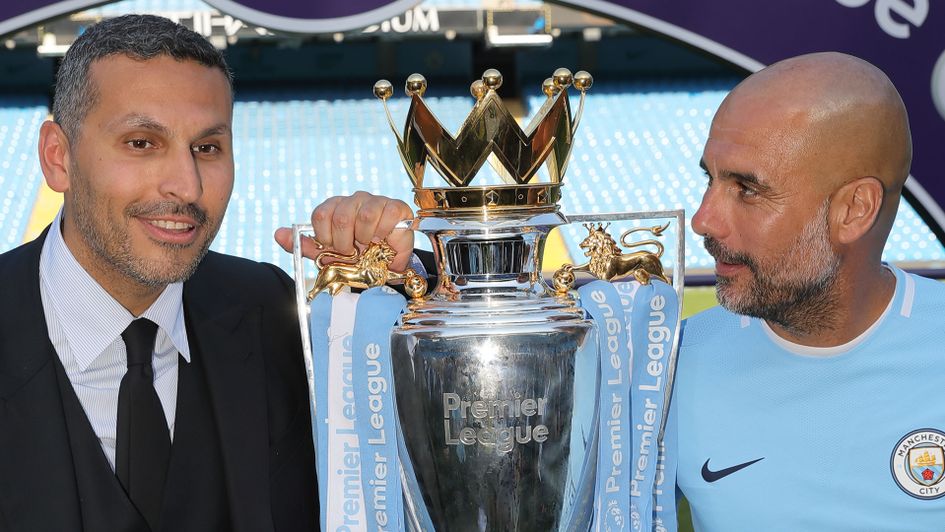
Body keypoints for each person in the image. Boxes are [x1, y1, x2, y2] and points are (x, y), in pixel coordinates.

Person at [0, 14, 413, 531]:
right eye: (141, 143)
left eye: (207, 148)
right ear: (57, 158)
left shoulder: (275, 315)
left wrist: (394, 292)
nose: (187, 186)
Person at [665, 51, 945, 530]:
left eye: (746, 189)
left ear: (854, 209)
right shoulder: (668, 366)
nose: (702, 219)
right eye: (709, 179)